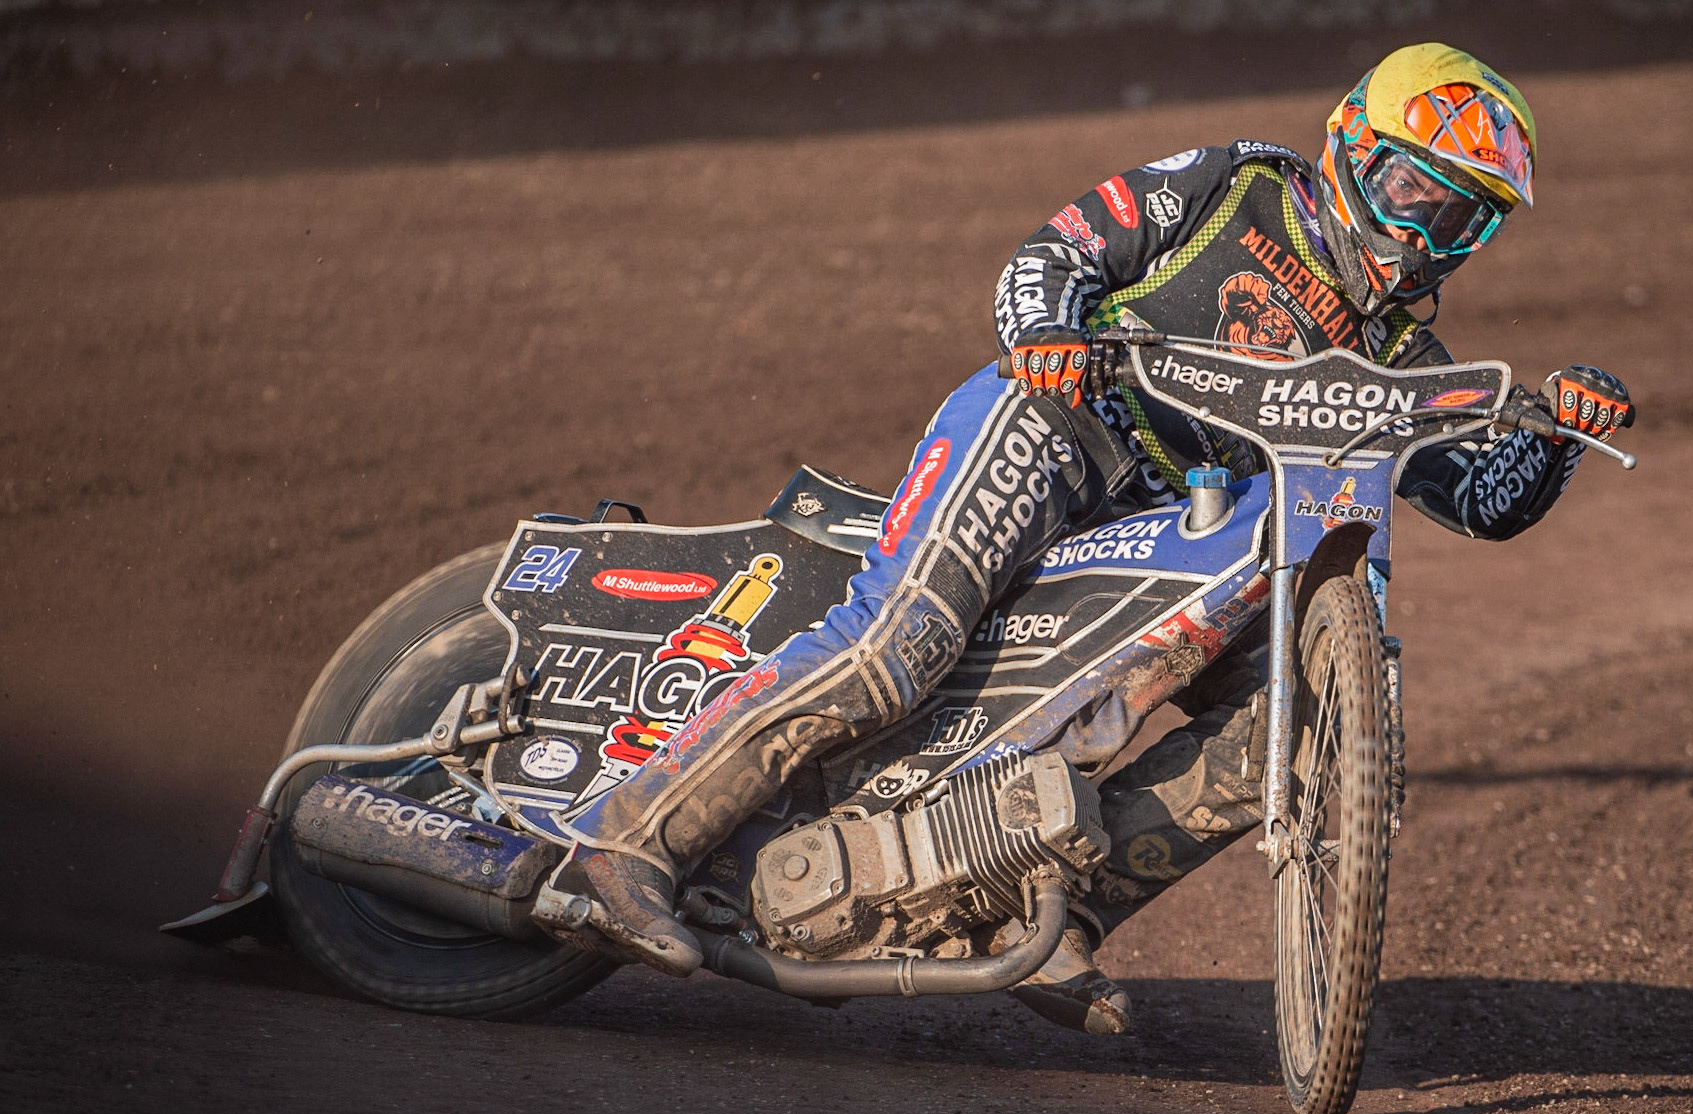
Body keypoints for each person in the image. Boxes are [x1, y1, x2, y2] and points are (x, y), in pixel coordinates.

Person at [547, 43, 1634, 1034]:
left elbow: (1484, 499)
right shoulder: (1239, 184)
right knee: (900, 642)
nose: (1424, 235)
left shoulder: (1400, 355)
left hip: (1175, 528)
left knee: (1283, 747)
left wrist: (1563, 436)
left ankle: (1040, 903)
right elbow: (1054, 249)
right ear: (1352, 146)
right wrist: (1053, 335)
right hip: (1056, 424)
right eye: (1414, 192)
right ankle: (633, 837)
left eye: (1465, 220)